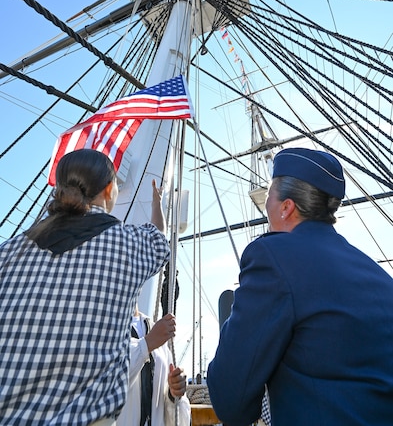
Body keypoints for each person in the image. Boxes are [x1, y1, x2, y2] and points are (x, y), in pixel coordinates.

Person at [207, 147, 393, 426]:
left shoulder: (272, 257)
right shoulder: (378, 276)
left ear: (286, 207)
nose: (266, 209)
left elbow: (232, 401)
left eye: (268, 198)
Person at [0, 149, 170, 426]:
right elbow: (159, 240)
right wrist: (156, 203)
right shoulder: (130, 245)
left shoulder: (8, 252)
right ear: (108, 189)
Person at [116, 305, 191, 426]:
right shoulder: (101, 328)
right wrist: (147, 344)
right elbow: (103, 380)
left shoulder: (156, 330)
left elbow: (177, 421)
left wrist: (174, 394)